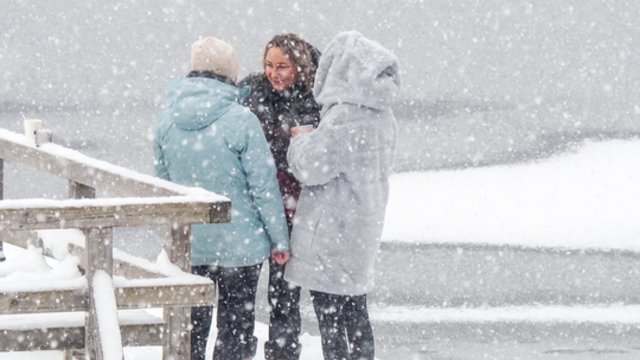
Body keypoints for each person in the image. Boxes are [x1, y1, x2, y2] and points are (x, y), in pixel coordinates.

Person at [153, 36, 290, 360]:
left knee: (189, 330)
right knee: (236, 334)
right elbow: (263, 187)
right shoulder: (241, 120)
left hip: (189, 245)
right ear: (230, 75)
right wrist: (279, 240)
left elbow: (162, 184)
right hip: (240, 248)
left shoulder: (166, 120)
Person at [284, 31, 400, 360]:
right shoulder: (383, 116)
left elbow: (310, 168)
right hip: (363, 226)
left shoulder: (343, 118)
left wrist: (300, 140)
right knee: (356, 315)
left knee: (331, 321)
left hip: (332, 234)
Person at [238, 33, 321, 360]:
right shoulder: (250, 92)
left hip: (294, 213)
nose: (275, 73)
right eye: (269, 65)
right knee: (239, 301)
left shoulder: (314, 100)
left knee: (284, 301)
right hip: (253, 211)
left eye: (283, 66)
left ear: (299, 66)